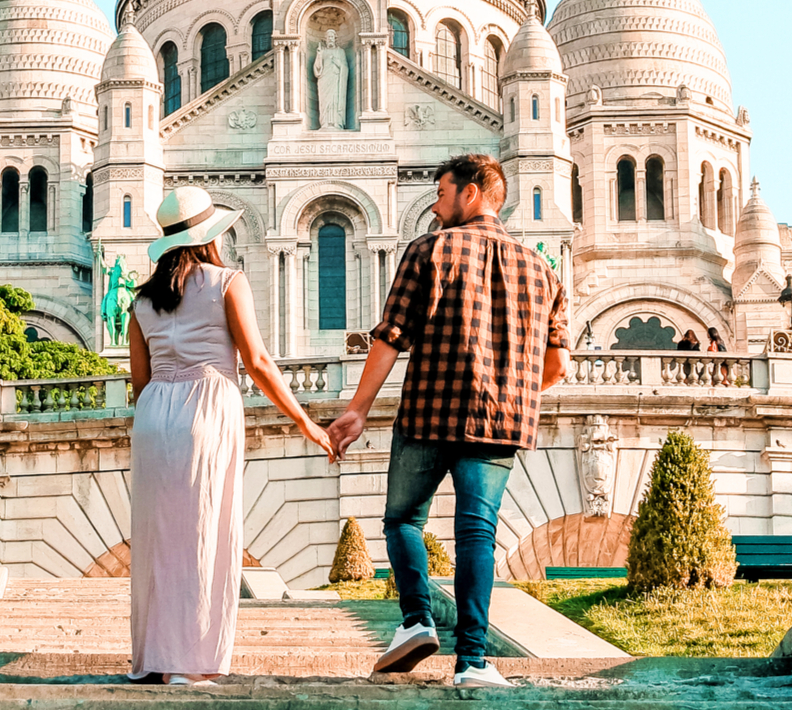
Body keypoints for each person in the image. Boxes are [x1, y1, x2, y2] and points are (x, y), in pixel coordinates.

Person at [327, 154, 568, 688]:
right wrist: (511, 391)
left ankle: (416, 621)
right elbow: (556, 366)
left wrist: (357, 409)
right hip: (500, 424)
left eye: (441, 194)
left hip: (429, 414)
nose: (435, 205)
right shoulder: (543, 268)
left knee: (403, 521)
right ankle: (474, 662)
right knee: (476, 533)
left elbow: (391, 336)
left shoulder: (429, 250)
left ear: (473, 193)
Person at [126, 187, 336, 686]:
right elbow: (259, 362)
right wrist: (305, 422)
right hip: (208, 406)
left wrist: (163, 409)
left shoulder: (141, 300)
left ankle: (157, 656)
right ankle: (191, 663)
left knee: (158, 540)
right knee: (206, 533)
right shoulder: (227, 282)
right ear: (212, 236)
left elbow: (140, 382)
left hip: (155, 415)